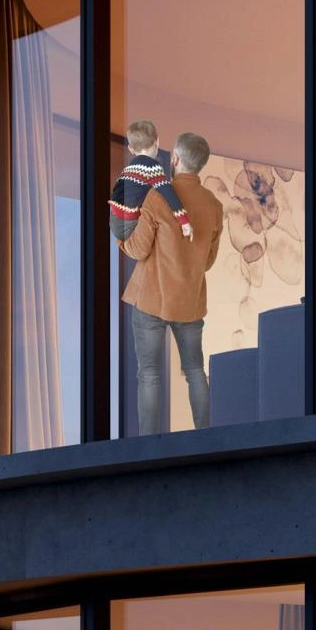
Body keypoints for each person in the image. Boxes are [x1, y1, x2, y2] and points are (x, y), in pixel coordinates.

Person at [115, 128, 223, 436]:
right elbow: (209, 261)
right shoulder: (214, 205)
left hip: (152, 299)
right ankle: (206, 436)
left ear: (174, 159)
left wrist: (120, 236)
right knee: (195, 371)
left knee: (149, 374)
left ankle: (148, 446)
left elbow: (137, 248)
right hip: (190, 302)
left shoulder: (158, 196)